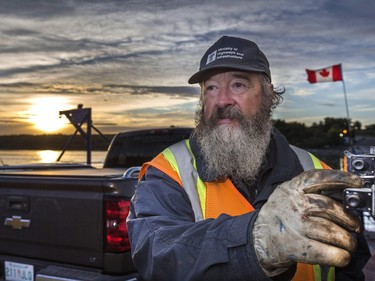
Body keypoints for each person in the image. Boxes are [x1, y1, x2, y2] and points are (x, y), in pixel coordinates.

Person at [126, 36, 370, 281]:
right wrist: (256, 242)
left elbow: (349, 266)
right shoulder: (168, 171)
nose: (222, 100)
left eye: (238, 85)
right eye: (211, 88)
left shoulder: (317, 172)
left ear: (267, 94)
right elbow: (157, 252)